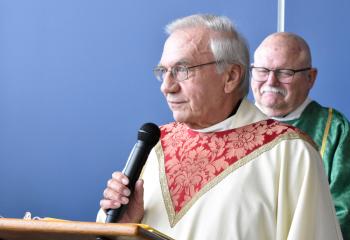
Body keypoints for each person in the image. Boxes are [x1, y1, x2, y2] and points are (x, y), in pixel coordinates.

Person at [97, 14, 342, 239]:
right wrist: (124, 227)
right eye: (163, 71)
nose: (167, 86)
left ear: (231, 76)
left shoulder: (290, 154)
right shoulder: (156, 144)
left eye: (182, 70)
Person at [250, 32, 350, 239]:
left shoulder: (334, 130)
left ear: (310, 78)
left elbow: (343, 211)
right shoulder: (232, 125)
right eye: (262, 71)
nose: (271, 81)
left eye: (285, 72)